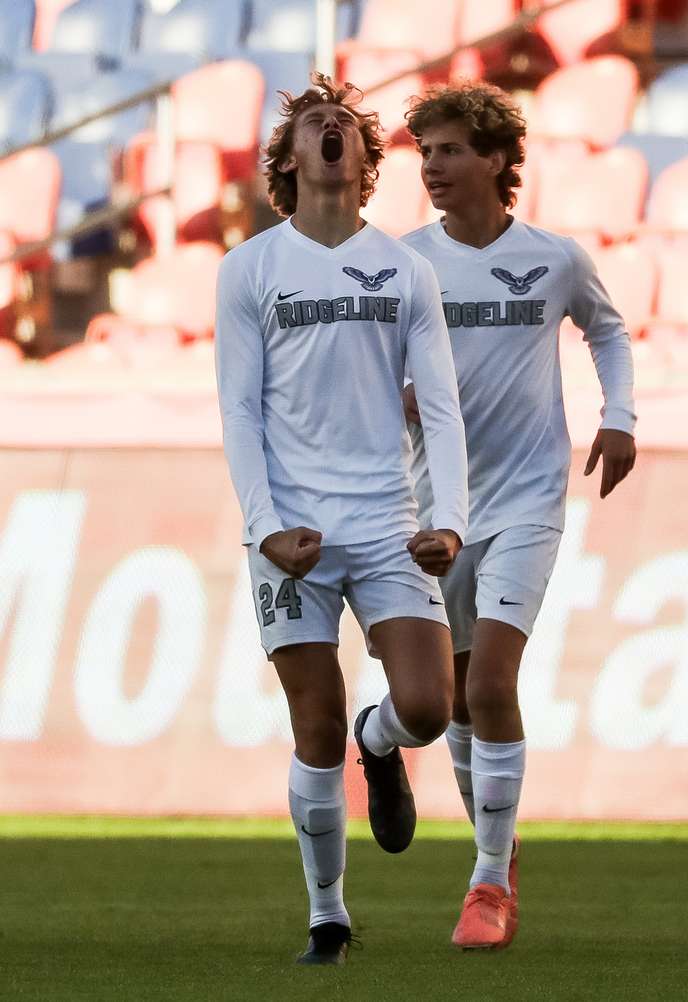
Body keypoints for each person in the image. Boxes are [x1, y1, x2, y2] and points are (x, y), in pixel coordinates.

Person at [214, 73, 469, 965]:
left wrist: (451, 521)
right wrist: (264, 526)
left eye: (344, 126)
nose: (329, 131)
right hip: (291, 532)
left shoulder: (406, 268)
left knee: (431, 708)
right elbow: (239, 412)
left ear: (366, 161)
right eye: (312, 125)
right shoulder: (250, 269)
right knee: (312, 723)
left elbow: (440, 408)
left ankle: (381, 739)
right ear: (286, 161)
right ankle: (328, 915)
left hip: (387, 520)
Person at [399, 82, 637, 950]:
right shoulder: (401, 262)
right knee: (458, 699)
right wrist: (398, 397)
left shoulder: (555, 259)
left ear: (498, 160)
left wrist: (620, 418)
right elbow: (372, 366)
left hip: (530, 498)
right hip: (437, 507)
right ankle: (496, 850)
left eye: (451, 149)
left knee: (492, 683)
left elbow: (606, 331)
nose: (431, 166)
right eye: (425, 152)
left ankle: (489, 884)